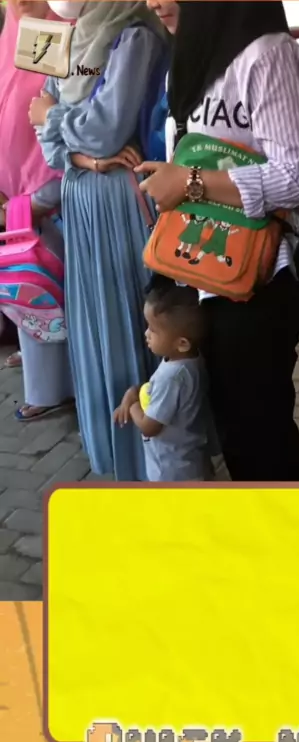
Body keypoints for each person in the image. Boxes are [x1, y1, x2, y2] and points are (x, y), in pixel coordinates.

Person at [137, 0, 299, 482]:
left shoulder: (267, 55)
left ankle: (285, 530)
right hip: (201, 272)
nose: (153, 2)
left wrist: (190, 183)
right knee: (234, 431)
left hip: (258, 281)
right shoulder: (191, 54)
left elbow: (298, 177)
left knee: (259, 436)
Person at [30, 0, 169, 480]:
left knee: (130, 320)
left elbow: (107, 130)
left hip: (121, 200)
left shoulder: (134, 36)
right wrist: (86, 157)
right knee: (93, 323)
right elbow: (48, 140)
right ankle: (112, 454)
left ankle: (150, 460)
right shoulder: (66, 40)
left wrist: (58, 121)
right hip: (82, 195)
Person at [0, 0, 73, 417]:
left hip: (50, 188)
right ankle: (41, 373)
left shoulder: (57, 28)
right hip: (19, 192)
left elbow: (51, 101)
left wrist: (43, 196)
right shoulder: (17, 29)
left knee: (46, 284)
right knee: (28, 285)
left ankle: (50, 390)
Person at [114, 282, 213, 482]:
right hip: (189, 458)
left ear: (182, 343)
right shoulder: (190, 361)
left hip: (170, 469)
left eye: (153, 330)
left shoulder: (171, 377)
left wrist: (132, 405)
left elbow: (149, 426)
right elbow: (157, 392)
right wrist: (134, 391)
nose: (146, 334)